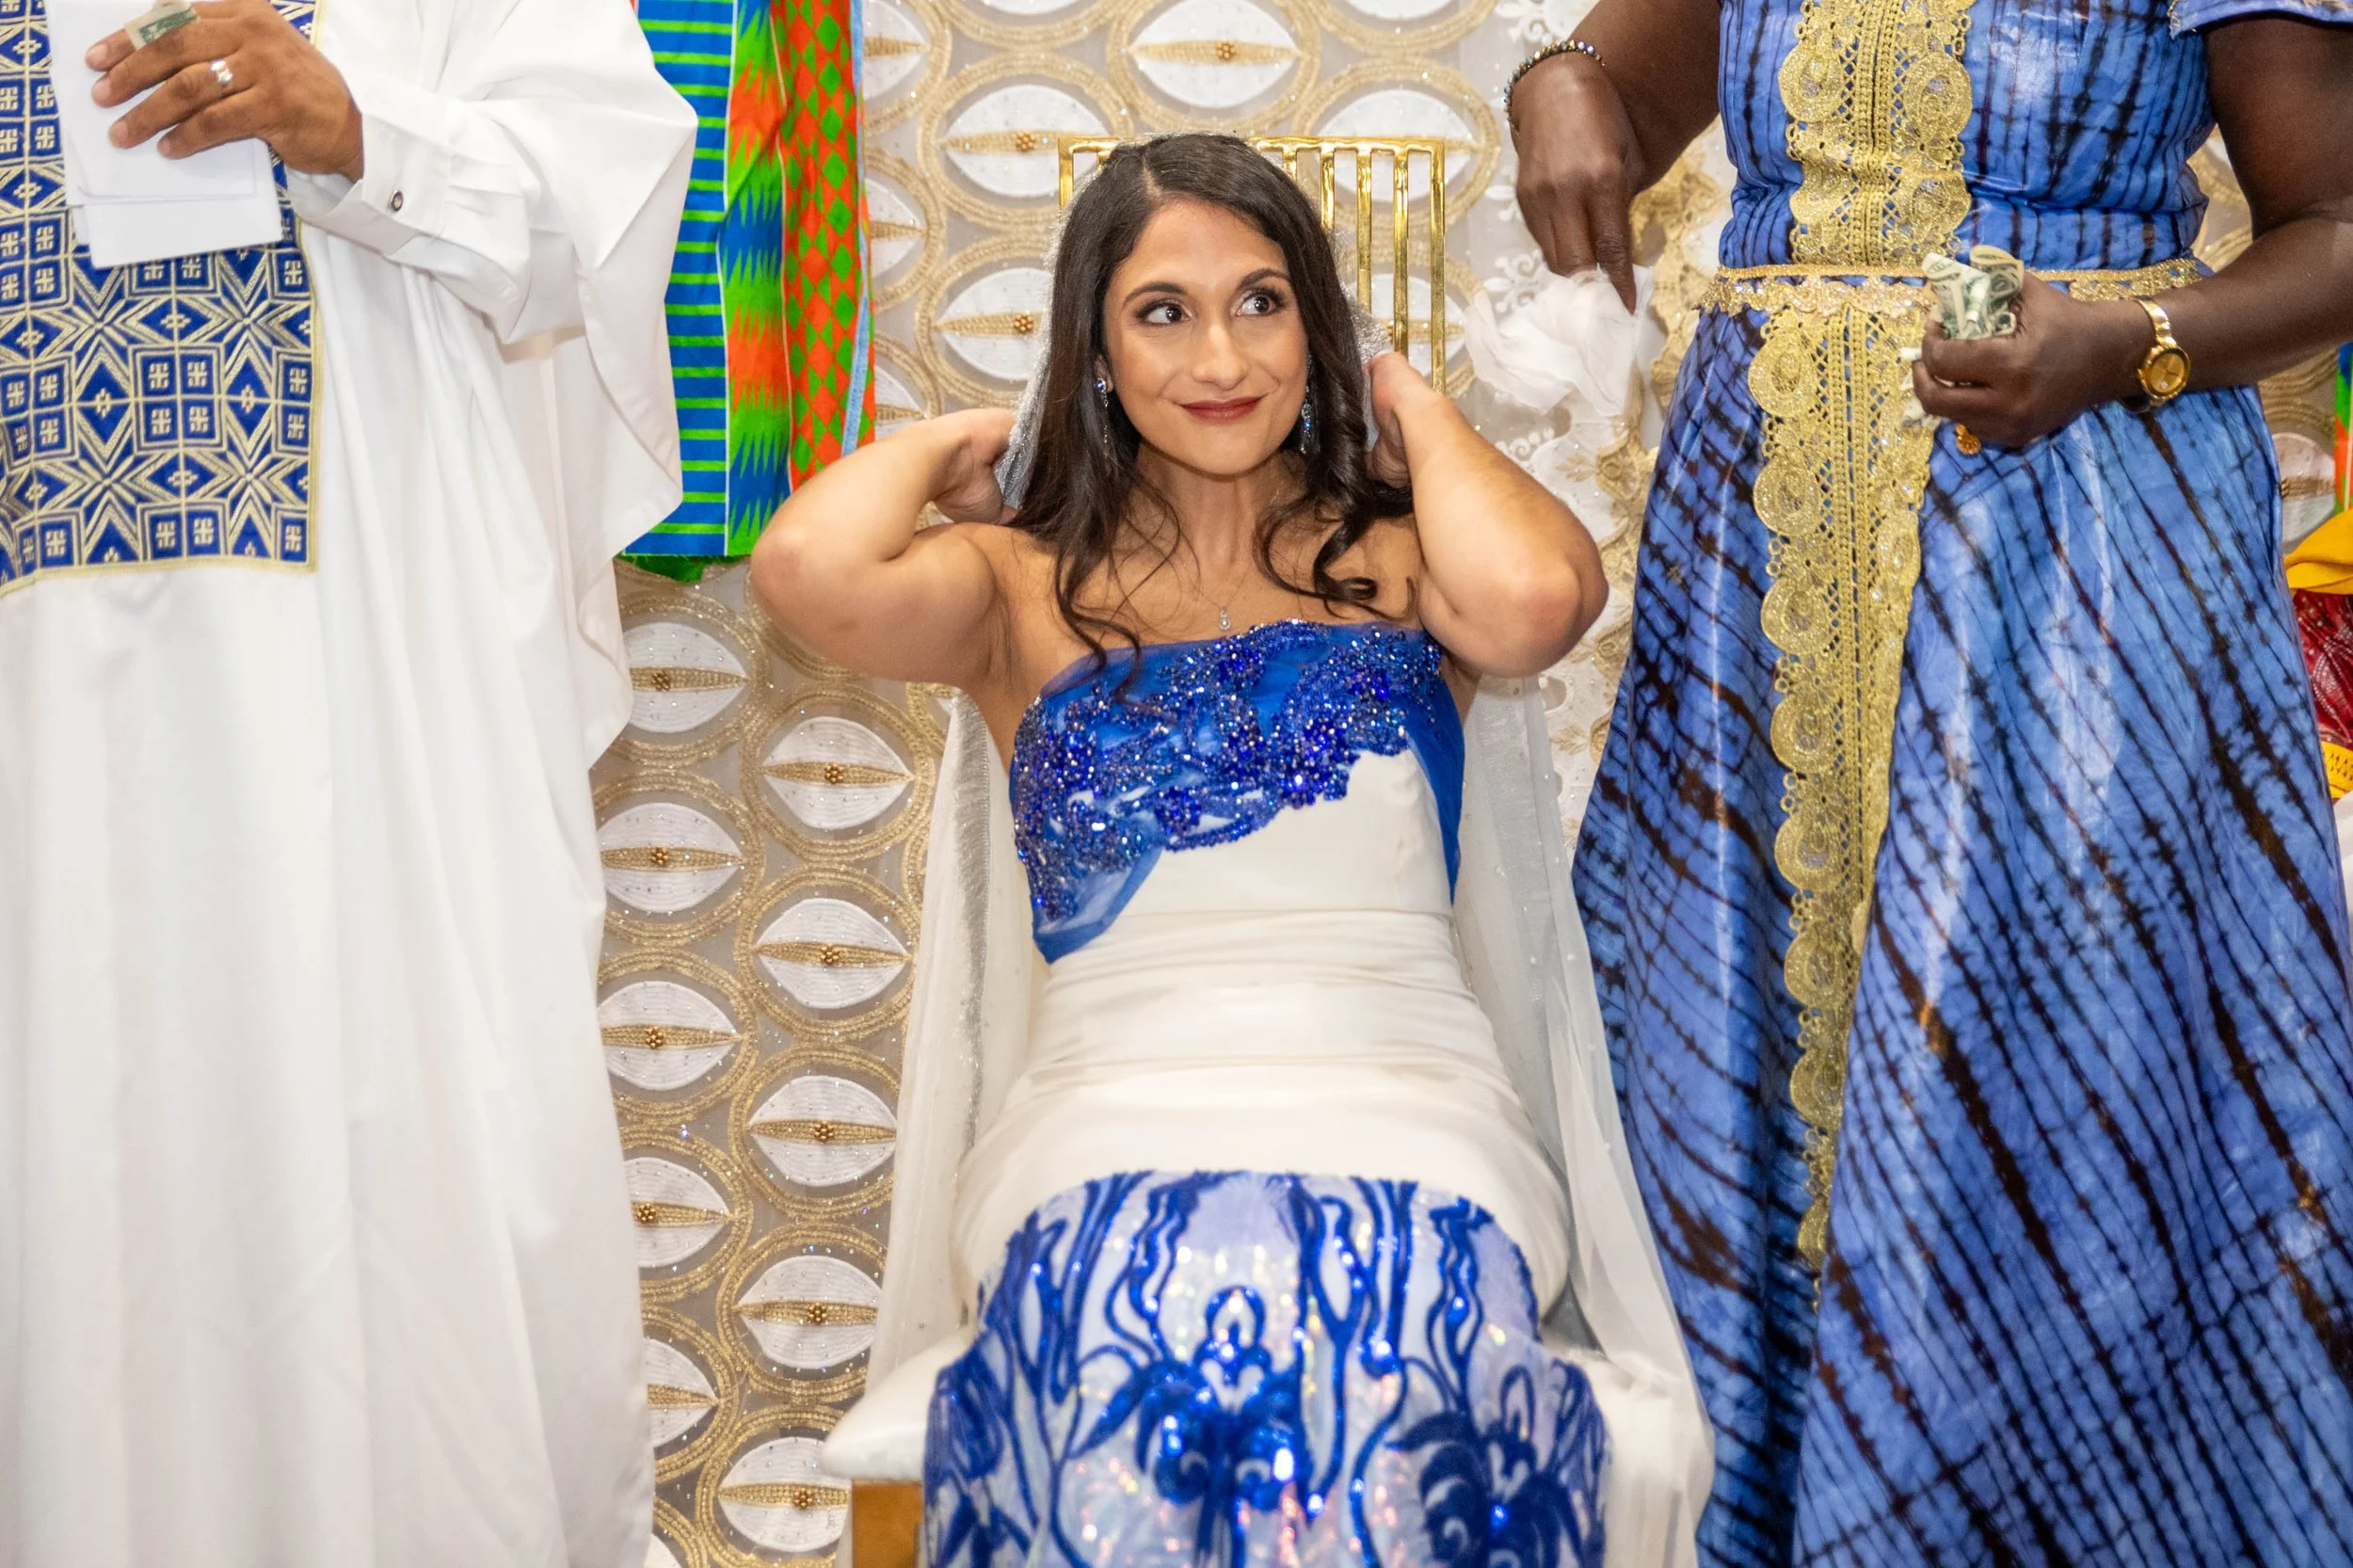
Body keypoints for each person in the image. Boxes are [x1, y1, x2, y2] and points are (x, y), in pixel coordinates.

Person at [751, 132, 1712, 1567]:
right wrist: (966, 443)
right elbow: (805, 569)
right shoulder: (1020, 588)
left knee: (1405, 1324)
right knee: (1121, 1312)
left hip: (1410, 1098)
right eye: (1163, 311)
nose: (1222, 354)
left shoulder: (1396, 558)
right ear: (1096, 346)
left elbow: (1532, 604)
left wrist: (1409, 409)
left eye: (1264, 302)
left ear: (1315, 329)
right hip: (1105, 1110)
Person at [1509, 0, 2353, 1561]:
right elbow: (1618, 98)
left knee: (2064, 1060)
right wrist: (1557, 83)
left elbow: (2337, 226)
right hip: (1762, 536)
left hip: (2085, 537)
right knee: (1748, 1063)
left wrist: (2130, 345)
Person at [0, 4, 694, 1565]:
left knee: (396, 1169)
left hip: (377, 687)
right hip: (38, 708)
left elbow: (599, 208)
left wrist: (359, 128)